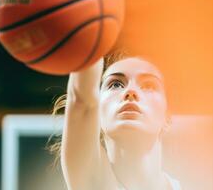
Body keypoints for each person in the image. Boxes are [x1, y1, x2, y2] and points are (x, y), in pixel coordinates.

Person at [51, 52, 182, 190]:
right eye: (115, 84)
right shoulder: (94, 184)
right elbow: (81, 102)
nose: (131, 91)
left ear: (167, 115)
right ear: (97, 111)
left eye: (148, 85)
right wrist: (93, 37)